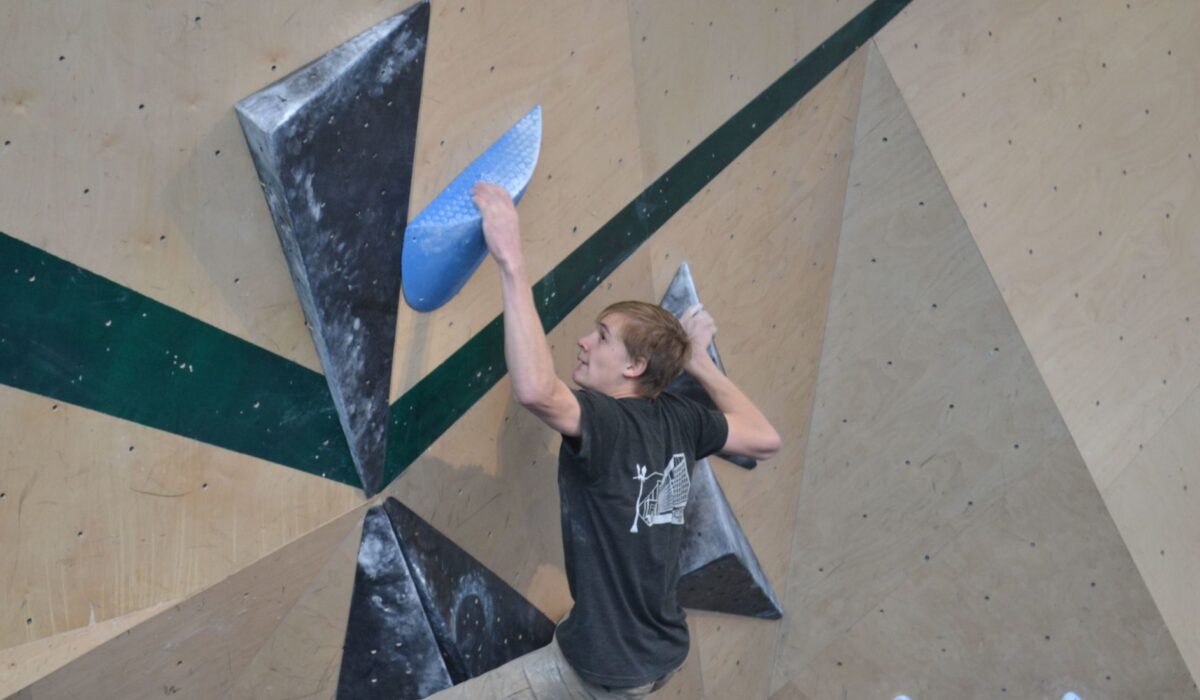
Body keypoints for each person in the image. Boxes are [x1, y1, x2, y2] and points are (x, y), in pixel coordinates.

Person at [467, 182, 781, 699]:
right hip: (656, 656)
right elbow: (764, 439)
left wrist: (511, 261)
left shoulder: (607, 423)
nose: (585, 342)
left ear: (635, 366)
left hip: (599, 674)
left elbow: (534, 389)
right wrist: (697, 364)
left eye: (603, 336)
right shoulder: (682, 419)